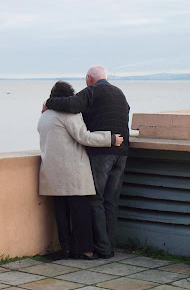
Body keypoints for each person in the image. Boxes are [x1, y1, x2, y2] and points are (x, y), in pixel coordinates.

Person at [44, 65, 130, 259]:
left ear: (89, 78)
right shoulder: (119, 93)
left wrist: (49, 102)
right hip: (122, 152)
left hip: (102, 153)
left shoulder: (92, 91)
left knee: (95, 200)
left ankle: (102, 248)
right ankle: (109, 247)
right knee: (111, 202)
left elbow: (71, 105)